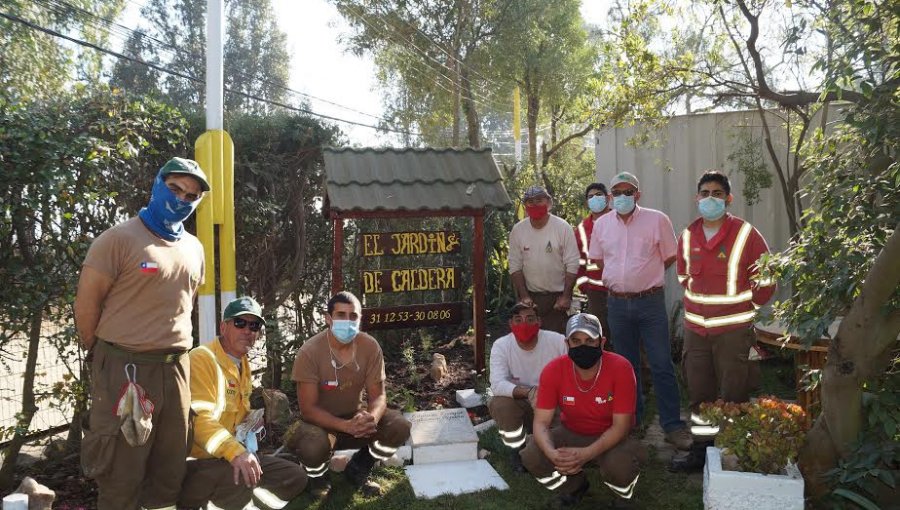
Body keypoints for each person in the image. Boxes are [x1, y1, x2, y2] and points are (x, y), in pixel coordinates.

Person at [74, 157, 209, 510]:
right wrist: (105, 357)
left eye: (191, 195)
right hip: (125, 369)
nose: (181, 199)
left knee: (169, 467)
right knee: (122, 471)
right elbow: (86, 308)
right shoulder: (118, 240)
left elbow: (182, 303)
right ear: (157, 185)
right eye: (175, 188)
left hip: (176, 370)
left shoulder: (194, 248)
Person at [670, 171, 777, 471]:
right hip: (696, 331)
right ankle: (702, 451)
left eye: (717, 193)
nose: (710, 199)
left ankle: (732, 450)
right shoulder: (688, 235)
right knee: (699, 394)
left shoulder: (745, 234)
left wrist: (750, 305)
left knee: (734, 394)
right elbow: (683, 276)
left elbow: (767, 277)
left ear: (728, 198)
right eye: (704, 193)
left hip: (733, 332)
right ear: (697, 198)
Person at [587, 171, 692, 450]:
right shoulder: (602, 226)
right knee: (626, 367)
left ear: (638, 194)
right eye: (617, 193)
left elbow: (670, 257)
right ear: (610, 197)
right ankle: (632, 422)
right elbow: (597, 260)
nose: (623, 197)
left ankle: (672, 425)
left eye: (628, 191)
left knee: (661, 364)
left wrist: (645, 277)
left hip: (650, 303)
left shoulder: (657, 220)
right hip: (617, 304)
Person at [179, 297, 307, 509]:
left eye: (254, 325)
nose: (248, 330)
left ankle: (252, 505)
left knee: (295, 478)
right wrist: (237, 453)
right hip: (199, 461)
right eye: (240, 323)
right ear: (223, 326)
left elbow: (236, 414)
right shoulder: (202, 359)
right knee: (239, 478)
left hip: (231, 454)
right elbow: (199, 420)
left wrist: (251, 427)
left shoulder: (242, 362)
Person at [283, 291, 411, 498]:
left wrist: (370, 418)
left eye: (353, 316)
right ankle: (317, 477)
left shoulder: (370, 346)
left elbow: (378, 396)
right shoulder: (309, 352)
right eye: (341, 315)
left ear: (360, 319)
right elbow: (308, 409)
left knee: (399, 427)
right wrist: (345, 426)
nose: (347, 321)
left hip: (355, 418)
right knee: (312, 446)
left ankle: (361, 465)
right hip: (319, 425)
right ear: (328, 318)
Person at [520, 313, 644, 509]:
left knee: (620, 466)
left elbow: (622, 426)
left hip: (612, 434)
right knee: (532, 454)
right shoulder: (553, 370)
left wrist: (585, 454)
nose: (583, 346)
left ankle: (624, 497)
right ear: (567, 343)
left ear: (601, 343)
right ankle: (572, 487)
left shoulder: (621, 368)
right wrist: (552, 454)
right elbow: (541, 422)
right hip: (571, 431)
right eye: (576, 341)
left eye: (590, 340)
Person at [488, 302, 567, 472]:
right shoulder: (501, 346)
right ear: (510, 324)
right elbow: (497, 384)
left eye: (530, 319)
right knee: (500, 404)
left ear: (539, 321)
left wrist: (547, 396)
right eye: (518, 320)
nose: (524, 325)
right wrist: (530, 393)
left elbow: (571, 375)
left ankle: (552, 448)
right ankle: (516, 449)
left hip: (554, 402)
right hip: (523, 401)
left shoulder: (558, 341)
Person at [508, 185, 580, 334]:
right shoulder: (518, 230)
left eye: (539, 200)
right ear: (525, 206)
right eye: (530, 202)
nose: (535, 205)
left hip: (558, 300)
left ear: (548, 202)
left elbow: (572, 263)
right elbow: (515, 265)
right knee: (530, 341)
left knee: (557, 343)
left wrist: (566, 296)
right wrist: (524, 296)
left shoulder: (562, 227)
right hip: (531, 298)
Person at [574, 182, 613, 348]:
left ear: (607, 198)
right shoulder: (582, 229)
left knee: (626, 334)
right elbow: (578, 262)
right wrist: (585, 287)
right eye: (590, 197)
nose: (594, 199)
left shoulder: (620, 220)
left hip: (622, 290)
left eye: (598, 195)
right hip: (596, 293)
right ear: (586, 202)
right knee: (601, 334)